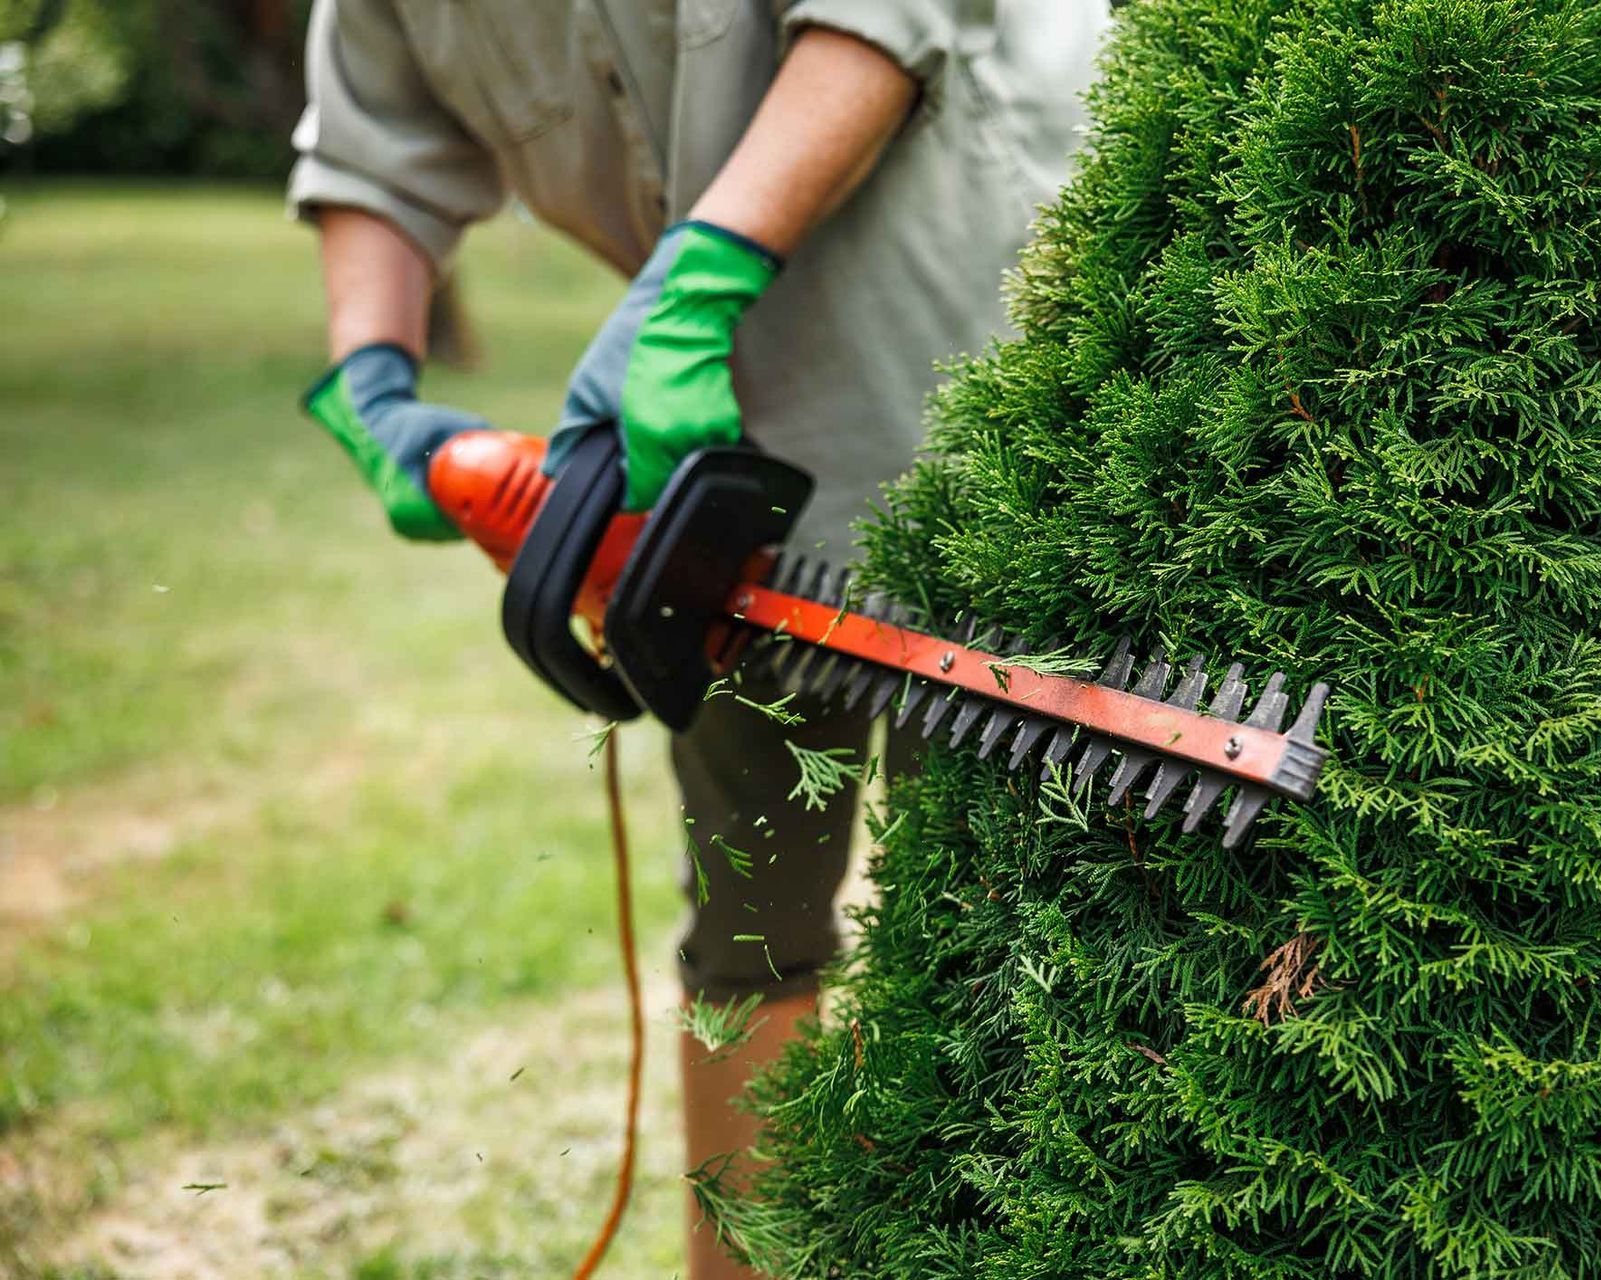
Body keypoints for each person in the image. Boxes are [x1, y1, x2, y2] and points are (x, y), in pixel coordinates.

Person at [289, 3, 1106, 1276]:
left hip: (974, 369)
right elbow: (368, 157)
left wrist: (701, 269)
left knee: (998, 923)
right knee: (746, 928)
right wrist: (372, 377)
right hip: (712, 449)